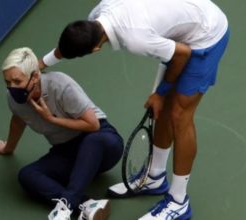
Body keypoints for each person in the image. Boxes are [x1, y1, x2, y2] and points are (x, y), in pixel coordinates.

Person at [38, 0, 230, 219]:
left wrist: (160, 93)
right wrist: (40, 63)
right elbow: (67, 46)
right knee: (164, 109)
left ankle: (179, 202)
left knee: (179, 116)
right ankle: (155, 177)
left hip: (206, 33)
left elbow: (182, 54)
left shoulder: (135, 38)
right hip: (181, 24)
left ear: (95, 49)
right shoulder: (96, 17)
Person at [0, 47, 124, 220]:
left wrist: (51, 119)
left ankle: (65, 207)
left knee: (93, 142)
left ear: (35, 76)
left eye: (17, 81)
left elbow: (93, 125)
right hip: (66, 151)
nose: (11, 88)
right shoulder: (14, 99)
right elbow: (18, 119)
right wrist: (8, 147)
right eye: (7, 82)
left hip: (102, 143)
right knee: (27, 175)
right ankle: (87, 204)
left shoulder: (60, 85)